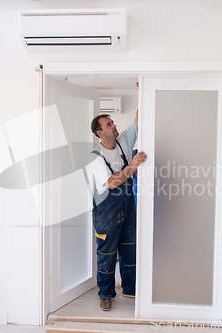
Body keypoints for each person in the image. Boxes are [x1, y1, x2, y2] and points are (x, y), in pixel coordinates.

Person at [88, 112, 147, 311]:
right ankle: (105, 294)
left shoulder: (122, 141)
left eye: (112, 122)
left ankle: (130, 289)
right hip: (106, 212)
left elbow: (139, 120)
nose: (114, 126)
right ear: (99, 132)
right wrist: (132, 166)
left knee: (130, 249)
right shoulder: (95, 156)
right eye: (109, 124)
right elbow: (112, 182)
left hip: (127, 206)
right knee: (107, 254)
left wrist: (144, 84)